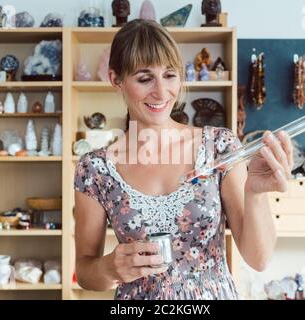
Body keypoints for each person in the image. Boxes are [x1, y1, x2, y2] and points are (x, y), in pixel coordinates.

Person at [74, 19, 293, 300]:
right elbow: (85, 272)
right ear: (115, 79)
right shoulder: (95, 170)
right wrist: (109, 267)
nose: (162, 92)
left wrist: (256, 192)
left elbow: (258, 259)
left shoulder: (219, 147)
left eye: (170, 75)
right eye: (144, 78)